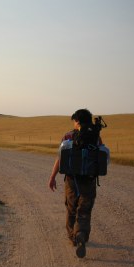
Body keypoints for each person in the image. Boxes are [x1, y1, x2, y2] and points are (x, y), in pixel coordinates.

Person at [48, 109, 101, 258]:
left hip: (72, 181)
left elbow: (60, 159)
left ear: (77, 121)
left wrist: (52, 177)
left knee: (71, 208)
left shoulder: (68, 136)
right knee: (84, 209)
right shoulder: (95, 136)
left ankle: (73, 238)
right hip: (89, 180)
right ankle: (82, 234)